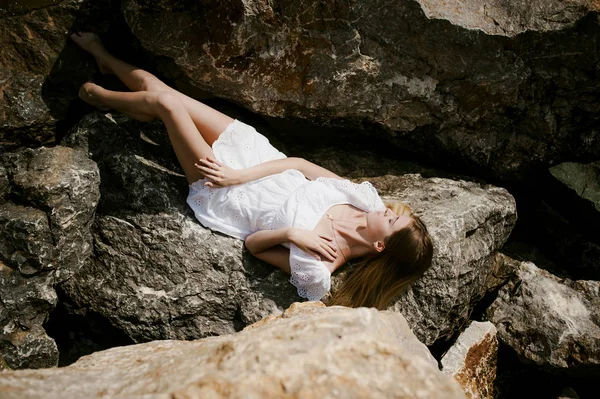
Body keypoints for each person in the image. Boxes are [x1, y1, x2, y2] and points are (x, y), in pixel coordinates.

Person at [69, 31, 434, 310]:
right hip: (255, 158)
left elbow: (253, 246)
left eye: (391, 220)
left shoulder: (319, 268)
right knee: (162, 91)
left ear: (380, 244)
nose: (387, 209)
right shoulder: (363, 200)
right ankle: (104, 57)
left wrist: (292, 233)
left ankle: (97, 97)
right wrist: (242, 172)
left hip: (227, 192)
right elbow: (299, 164)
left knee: (165, 104)